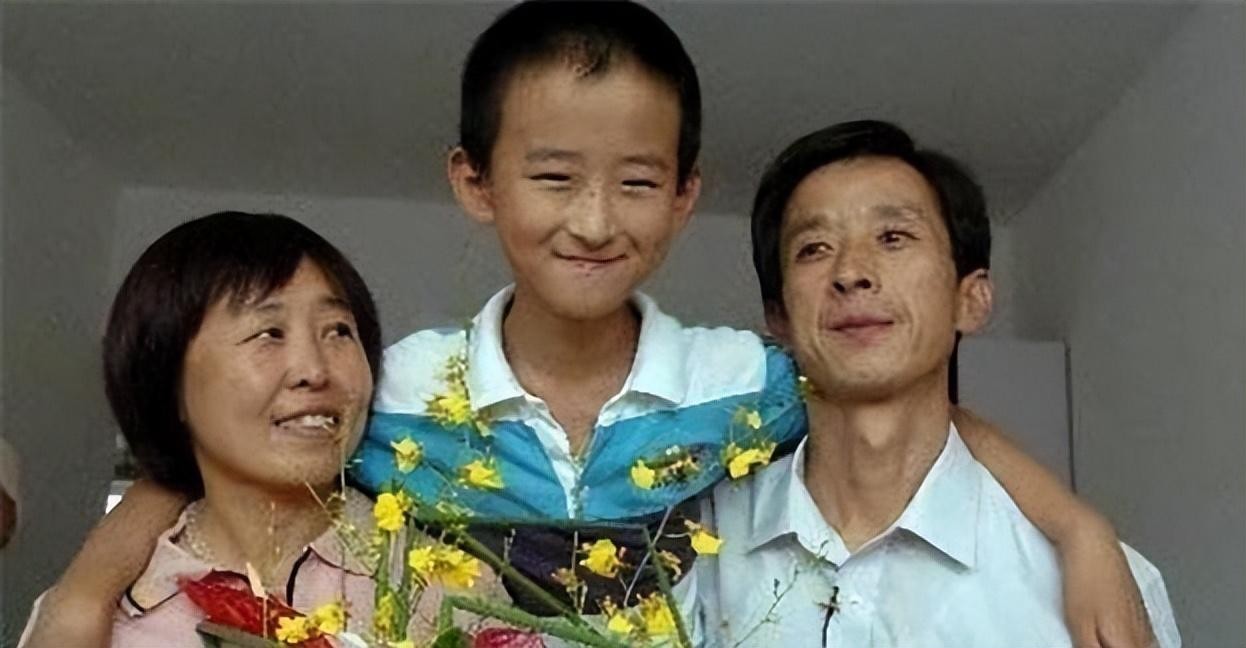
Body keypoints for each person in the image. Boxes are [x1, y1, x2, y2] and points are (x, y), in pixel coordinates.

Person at [30, 2, 1147, 644]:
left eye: (637, 181)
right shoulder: (400, 389)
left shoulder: (730, 383)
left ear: (686, 193)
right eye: (554, 176)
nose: (596, 221)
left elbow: (892, 393)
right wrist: (84, 591)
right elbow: (214, 454)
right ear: (475, 181)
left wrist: (1080, 533)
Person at [695, 120, 1180, 647]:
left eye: (893, 238)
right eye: (814, 247)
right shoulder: (694, 545)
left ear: (970, 300)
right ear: (778, 317)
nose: (851, 272)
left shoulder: (1106, 587)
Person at [20, 212, 497, 648]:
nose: (314, 370)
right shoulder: (95, 618)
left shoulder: (451, 591)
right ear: (168, 382)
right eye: (269, 334)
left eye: (338, 331)